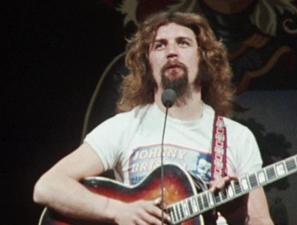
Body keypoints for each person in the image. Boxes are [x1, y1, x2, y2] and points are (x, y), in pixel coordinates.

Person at [33, 11, 274, 225]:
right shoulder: (126, 126)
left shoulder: (236, 137)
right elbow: (48, 186)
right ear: (147, 63)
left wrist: (236, 210)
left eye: (183, 43)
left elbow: (259, 219)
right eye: (159, 45)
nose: (171, 52)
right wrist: (118, 211)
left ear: (204, 59)